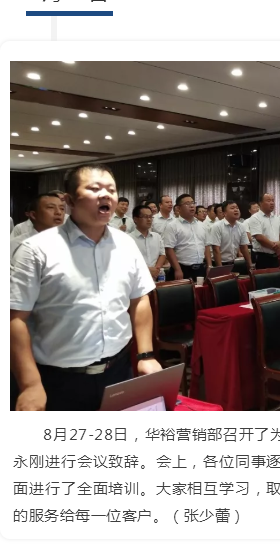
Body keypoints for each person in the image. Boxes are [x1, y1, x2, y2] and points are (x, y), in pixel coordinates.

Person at [10, 163, 162, 411]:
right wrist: (30, 384)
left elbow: (140, 299)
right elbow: (15, 318)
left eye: (111, 190)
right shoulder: (36, 250)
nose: (105, 195)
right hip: (57, 379)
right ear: (69, 200)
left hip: (118, 371)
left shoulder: (125, 244)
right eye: (94, 188)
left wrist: (145, 355)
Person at [163, 193, 212, 281]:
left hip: (201, 268)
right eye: (187, 204)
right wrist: (177, 269)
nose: (192, 206)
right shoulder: (172, 226)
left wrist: (209, 266)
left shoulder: (202, 225)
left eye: (193, 203)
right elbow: (169, 249)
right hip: (182, 268)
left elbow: (206, 246)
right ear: (178, 208)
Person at [10, 193, 66, 258]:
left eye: (62, 208)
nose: (59, 212)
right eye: (51, 207)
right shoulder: (17, 244)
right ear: (33, 215)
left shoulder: (69, 242)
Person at [209, 200, 252, 272]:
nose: (236, 210)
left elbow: (244, 247)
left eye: (237, 208)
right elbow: (216, 249)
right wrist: (220, 269)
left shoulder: (241, 226)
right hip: (219, 263)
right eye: (232, 208)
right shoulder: (217, 226)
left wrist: (250, 265)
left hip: (233, 263)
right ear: (225, 213)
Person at [130, 205, 166, 280]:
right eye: (145, 217)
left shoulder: (157, 236)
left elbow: (162, 254)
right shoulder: (128, 239)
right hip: (136, 278)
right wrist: (147, 270)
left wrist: (156, 269)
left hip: (155, 277)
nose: (149, 219)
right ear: (135, 219)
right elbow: (127, 261)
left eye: (150, 217)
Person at [248, 193, 280, 270]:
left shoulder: (277, 218)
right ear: (260, 203)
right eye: (268, 201)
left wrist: (279, 243)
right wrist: (275, 247)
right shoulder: (255, 218)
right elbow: (259, 237)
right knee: (263, 277)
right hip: (262, 257)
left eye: (273, 200)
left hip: (276, 256)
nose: (272, 203)